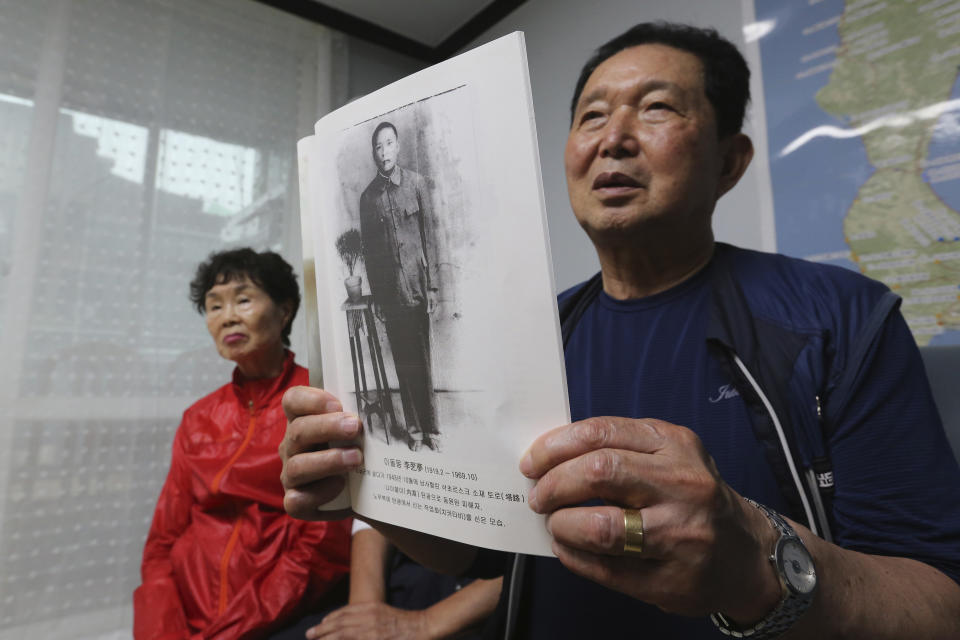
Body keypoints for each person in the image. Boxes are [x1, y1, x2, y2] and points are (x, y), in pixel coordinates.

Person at [278, 22, 960, 639]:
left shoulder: (837, 317)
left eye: (657, 107)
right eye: (592, 116)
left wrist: (756, 560)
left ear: (730, 161)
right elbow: (477, 551)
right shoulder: (538, 332)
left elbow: (940, 603)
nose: (613, 138)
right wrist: (359, 482)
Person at [134, 248, 351, 640]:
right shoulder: (198, 418)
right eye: (214, 306)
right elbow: (162, 541)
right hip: (186, 612)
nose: (227, 316)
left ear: (284, 311)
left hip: (274, 617)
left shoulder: (316, 400)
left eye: (244, 299)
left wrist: (227, 633)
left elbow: (321, 548)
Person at [358, 121, 440, 452]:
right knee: (403, 362)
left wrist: (433, 287)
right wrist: (377, 297)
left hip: (418, 287)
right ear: (374, 154)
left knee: (422, 357)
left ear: (397, 146)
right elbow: (371, 252)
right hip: (390, 294)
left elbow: (429, 238)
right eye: (377, 147)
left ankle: (432, 429)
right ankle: (415, 431)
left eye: (388, 144)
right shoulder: (368, 198)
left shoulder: (417, 185)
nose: (383, 152)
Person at [304, 522, 502, 639]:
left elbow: (530, 562)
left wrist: (422, 624)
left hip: (495, 604)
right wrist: (363, 606)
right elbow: (379, 492)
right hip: (403, 574)